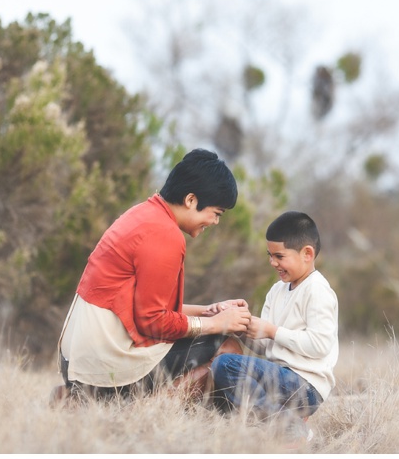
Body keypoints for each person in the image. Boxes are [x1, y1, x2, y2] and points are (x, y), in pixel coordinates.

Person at [51, 149, 252, 405]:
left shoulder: (143, 214)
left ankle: (81, 397)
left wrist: (209, 312)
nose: (215, 222)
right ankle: (129, 408)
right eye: (216, 213)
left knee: (215, 340)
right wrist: (217, 325)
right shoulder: (164, 234)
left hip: (78, 363)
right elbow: (153, 322)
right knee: (227, 349)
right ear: (191, 200)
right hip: (102, 366)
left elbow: (143, 310)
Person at [209, 211, 339, 443]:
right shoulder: (277, 290)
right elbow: (268, 348)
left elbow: (320, 345)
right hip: (278, 379)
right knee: (220, 369)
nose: (272, 263)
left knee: (226, 365)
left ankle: (289, 426)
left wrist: (271, 330)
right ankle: (280, 422)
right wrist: (242, 329)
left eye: (279, 256)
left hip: (305, 387)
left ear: (307, 253)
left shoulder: (317, 290)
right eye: (269, 255)